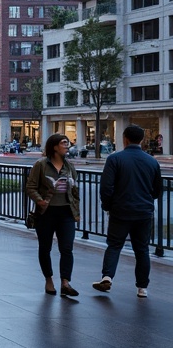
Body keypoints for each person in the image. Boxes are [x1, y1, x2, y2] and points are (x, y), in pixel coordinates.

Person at [92, 124, 163, 297]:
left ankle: (107, 276)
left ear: (125, 139)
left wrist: (108, 206)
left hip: (120, 210)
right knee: (142, 249)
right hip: (144, 211)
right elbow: (157, 190)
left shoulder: (115, 159)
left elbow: (106, 188)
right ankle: (142, 288)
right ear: (142, 140)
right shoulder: (152, 161)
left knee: (114, 245)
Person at [25, 134, 80, 297]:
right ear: (54, 146)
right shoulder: (41, 165)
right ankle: (48, 279)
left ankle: (65, 282)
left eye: (67, 143)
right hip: (46, 212)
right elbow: (30, 187)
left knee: (67, 248)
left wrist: (76, 210)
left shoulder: (69, 166)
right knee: (45, 247)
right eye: (64, 143)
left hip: (66, 212)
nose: (67, 146)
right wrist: (40, 201)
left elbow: (75, 190)